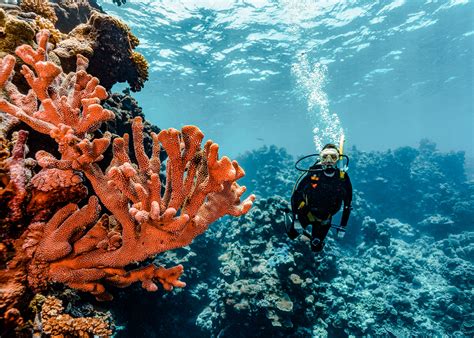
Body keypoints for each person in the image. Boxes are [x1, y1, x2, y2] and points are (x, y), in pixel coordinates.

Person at [285, 143, 352, 252]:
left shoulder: (342, 178)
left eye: (333, 157)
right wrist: (296, 218)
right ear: (320, 158)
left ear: (338, 160)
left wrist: (343, 226)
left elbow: (348, 205)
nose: (329, 161)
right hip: (306, 212)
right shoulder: (313, 174)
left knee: (316, 247)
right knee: (292, 234)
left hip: (325, 218)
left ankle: (312, 238)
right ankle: (287, 214)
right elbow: (296, 195)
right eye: (325, 157)